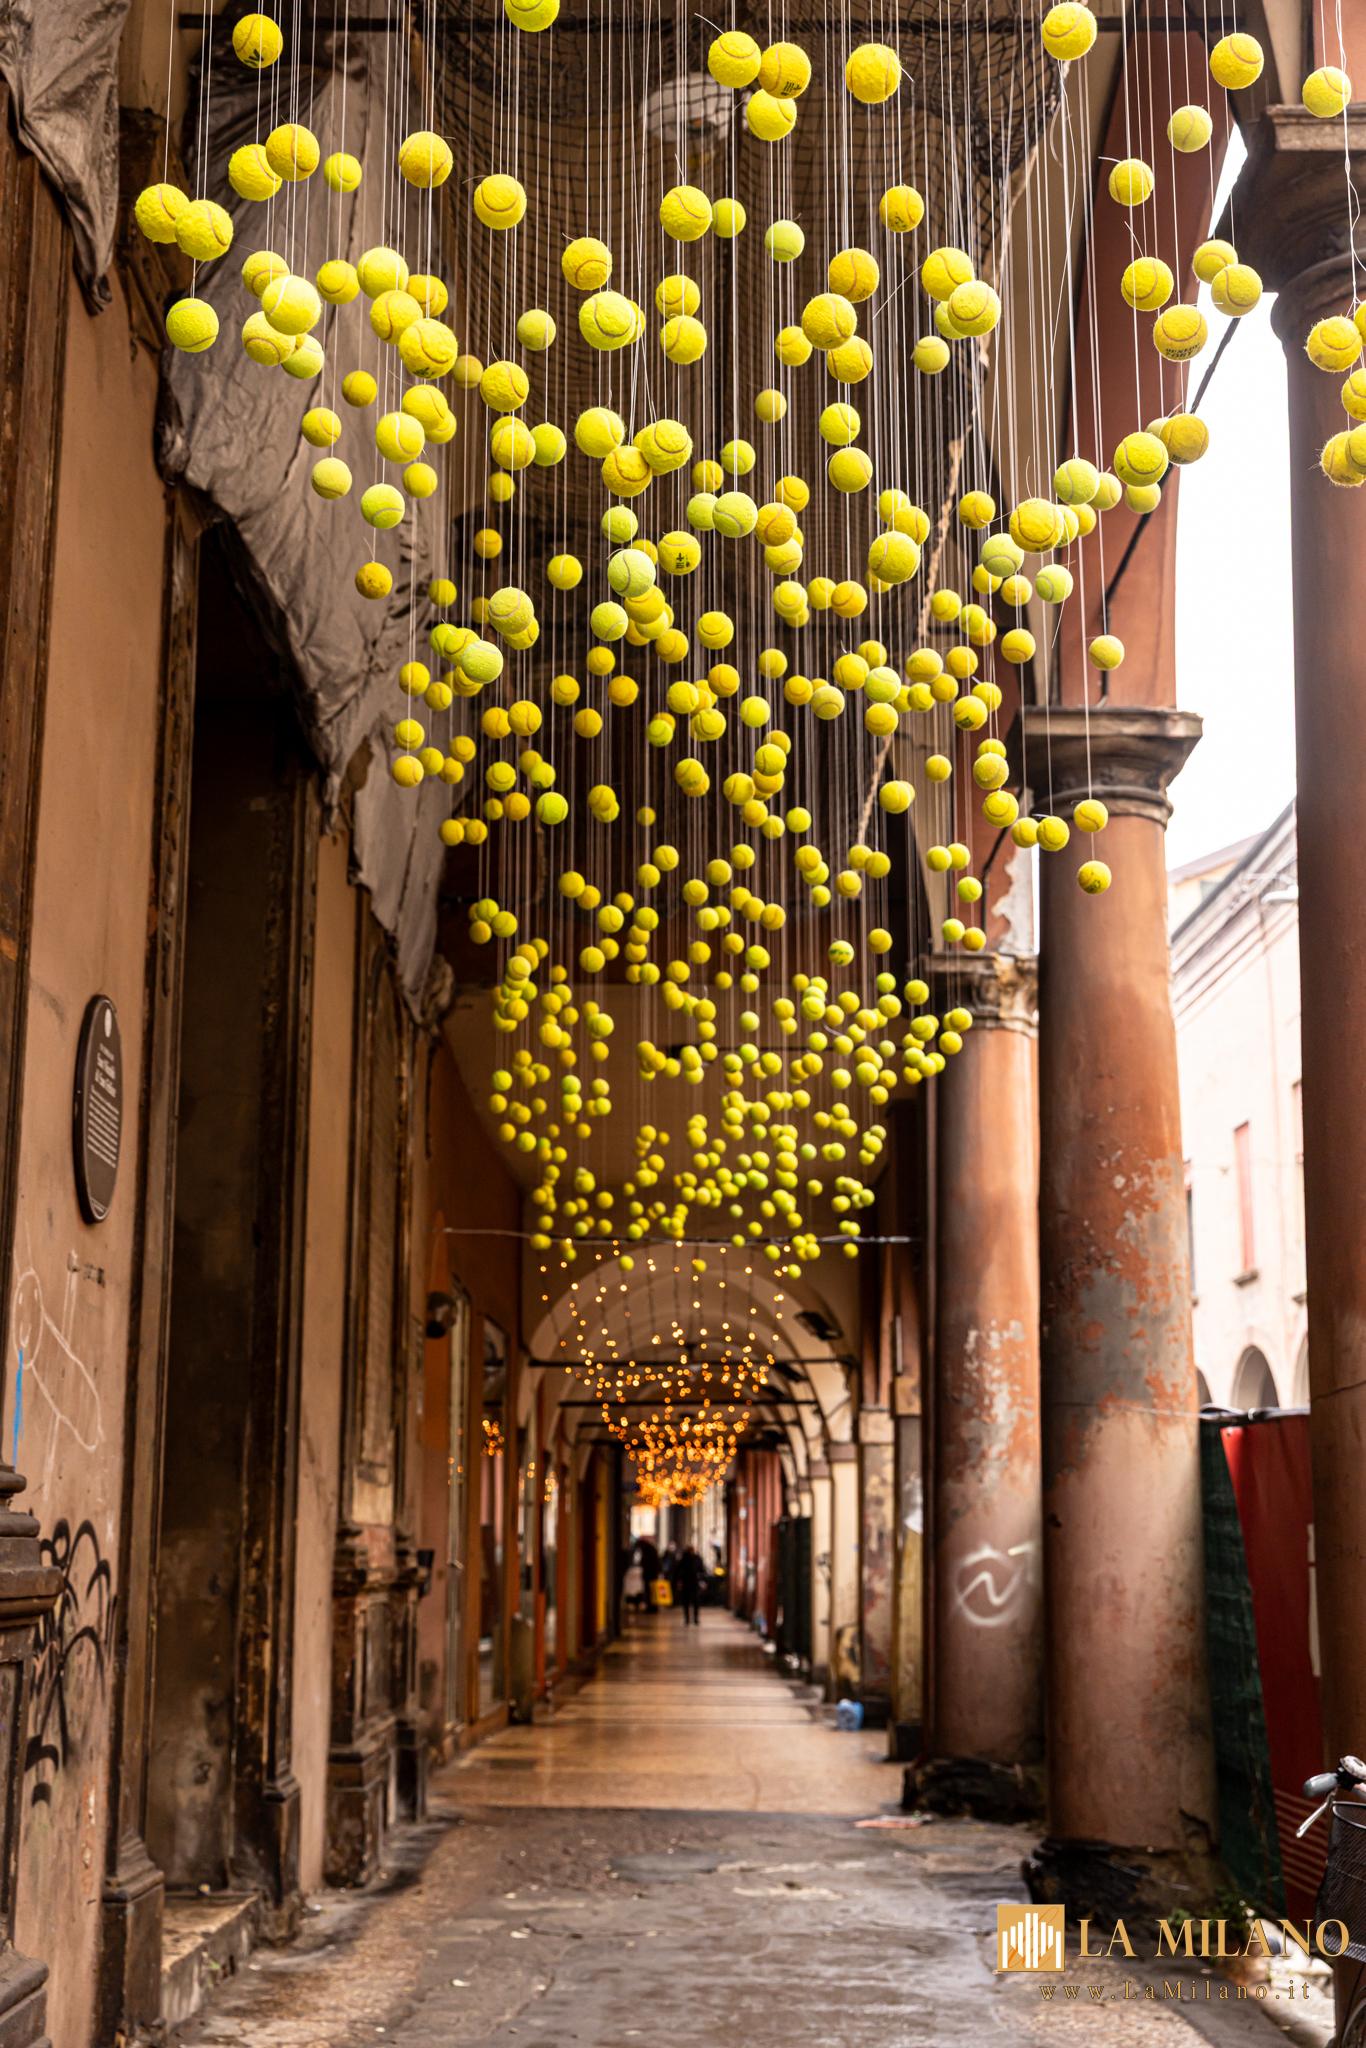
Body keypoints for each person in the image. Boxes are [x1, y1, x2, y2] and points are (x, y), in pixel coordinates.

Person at [677, 1543, 708, 1626]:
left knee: (695, 1602)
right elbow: (679, 1571)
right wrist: (679, 1582)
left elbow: (701, 1570)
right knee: (687, 1602)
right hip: (687, 1582)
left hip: (694, 1583)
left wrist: (702, 1580)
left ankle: (695, 1618)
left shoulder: (696, 1558)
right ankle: (687, 1619)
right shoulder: (685, 1559)